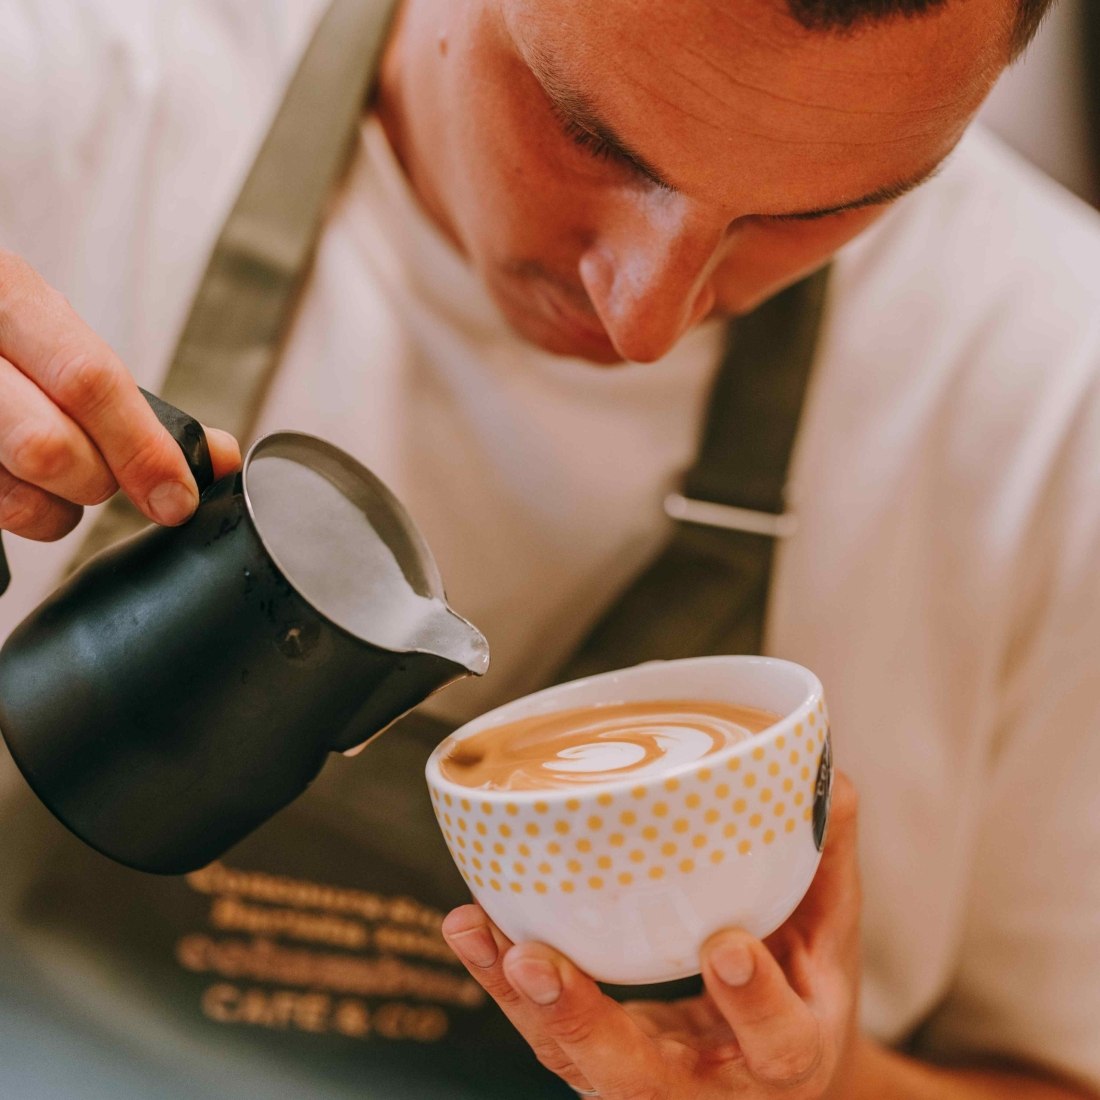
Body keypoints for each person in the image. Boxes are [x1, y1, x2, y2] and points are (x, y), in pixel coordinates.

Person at [0, 0, 1098, 1097]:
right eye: (589, 138)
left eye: (822, 213)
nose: (644, 316)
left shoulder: (1058, 382)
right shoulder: (60, 96)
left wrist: (836, 1082)